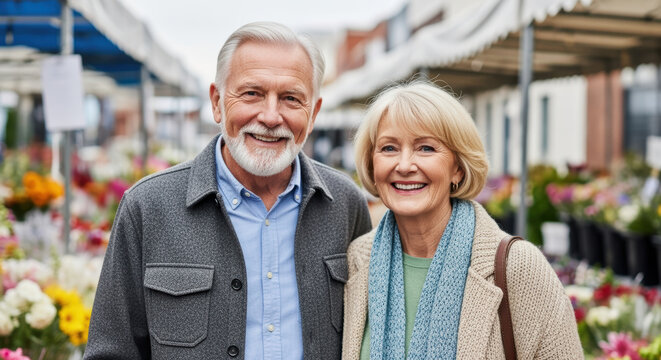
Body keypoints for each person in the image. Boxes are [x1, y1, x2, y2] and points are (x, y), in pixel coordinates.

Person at [85, 22, 372, 359]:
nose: (270, 116)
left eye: (291, 98)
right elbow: (112, 351)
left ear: (313, 114)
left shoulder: (345, 204)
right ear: (217, 102)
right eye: (252, 93)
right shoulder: (148, 207)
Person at [342, 82, 583, 360]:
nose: (405, 165)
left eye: (426, 148)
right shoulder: (355, 262)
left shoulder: (517, 267)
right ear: (372, 165)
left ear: (458, 168)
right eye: (389, 148)